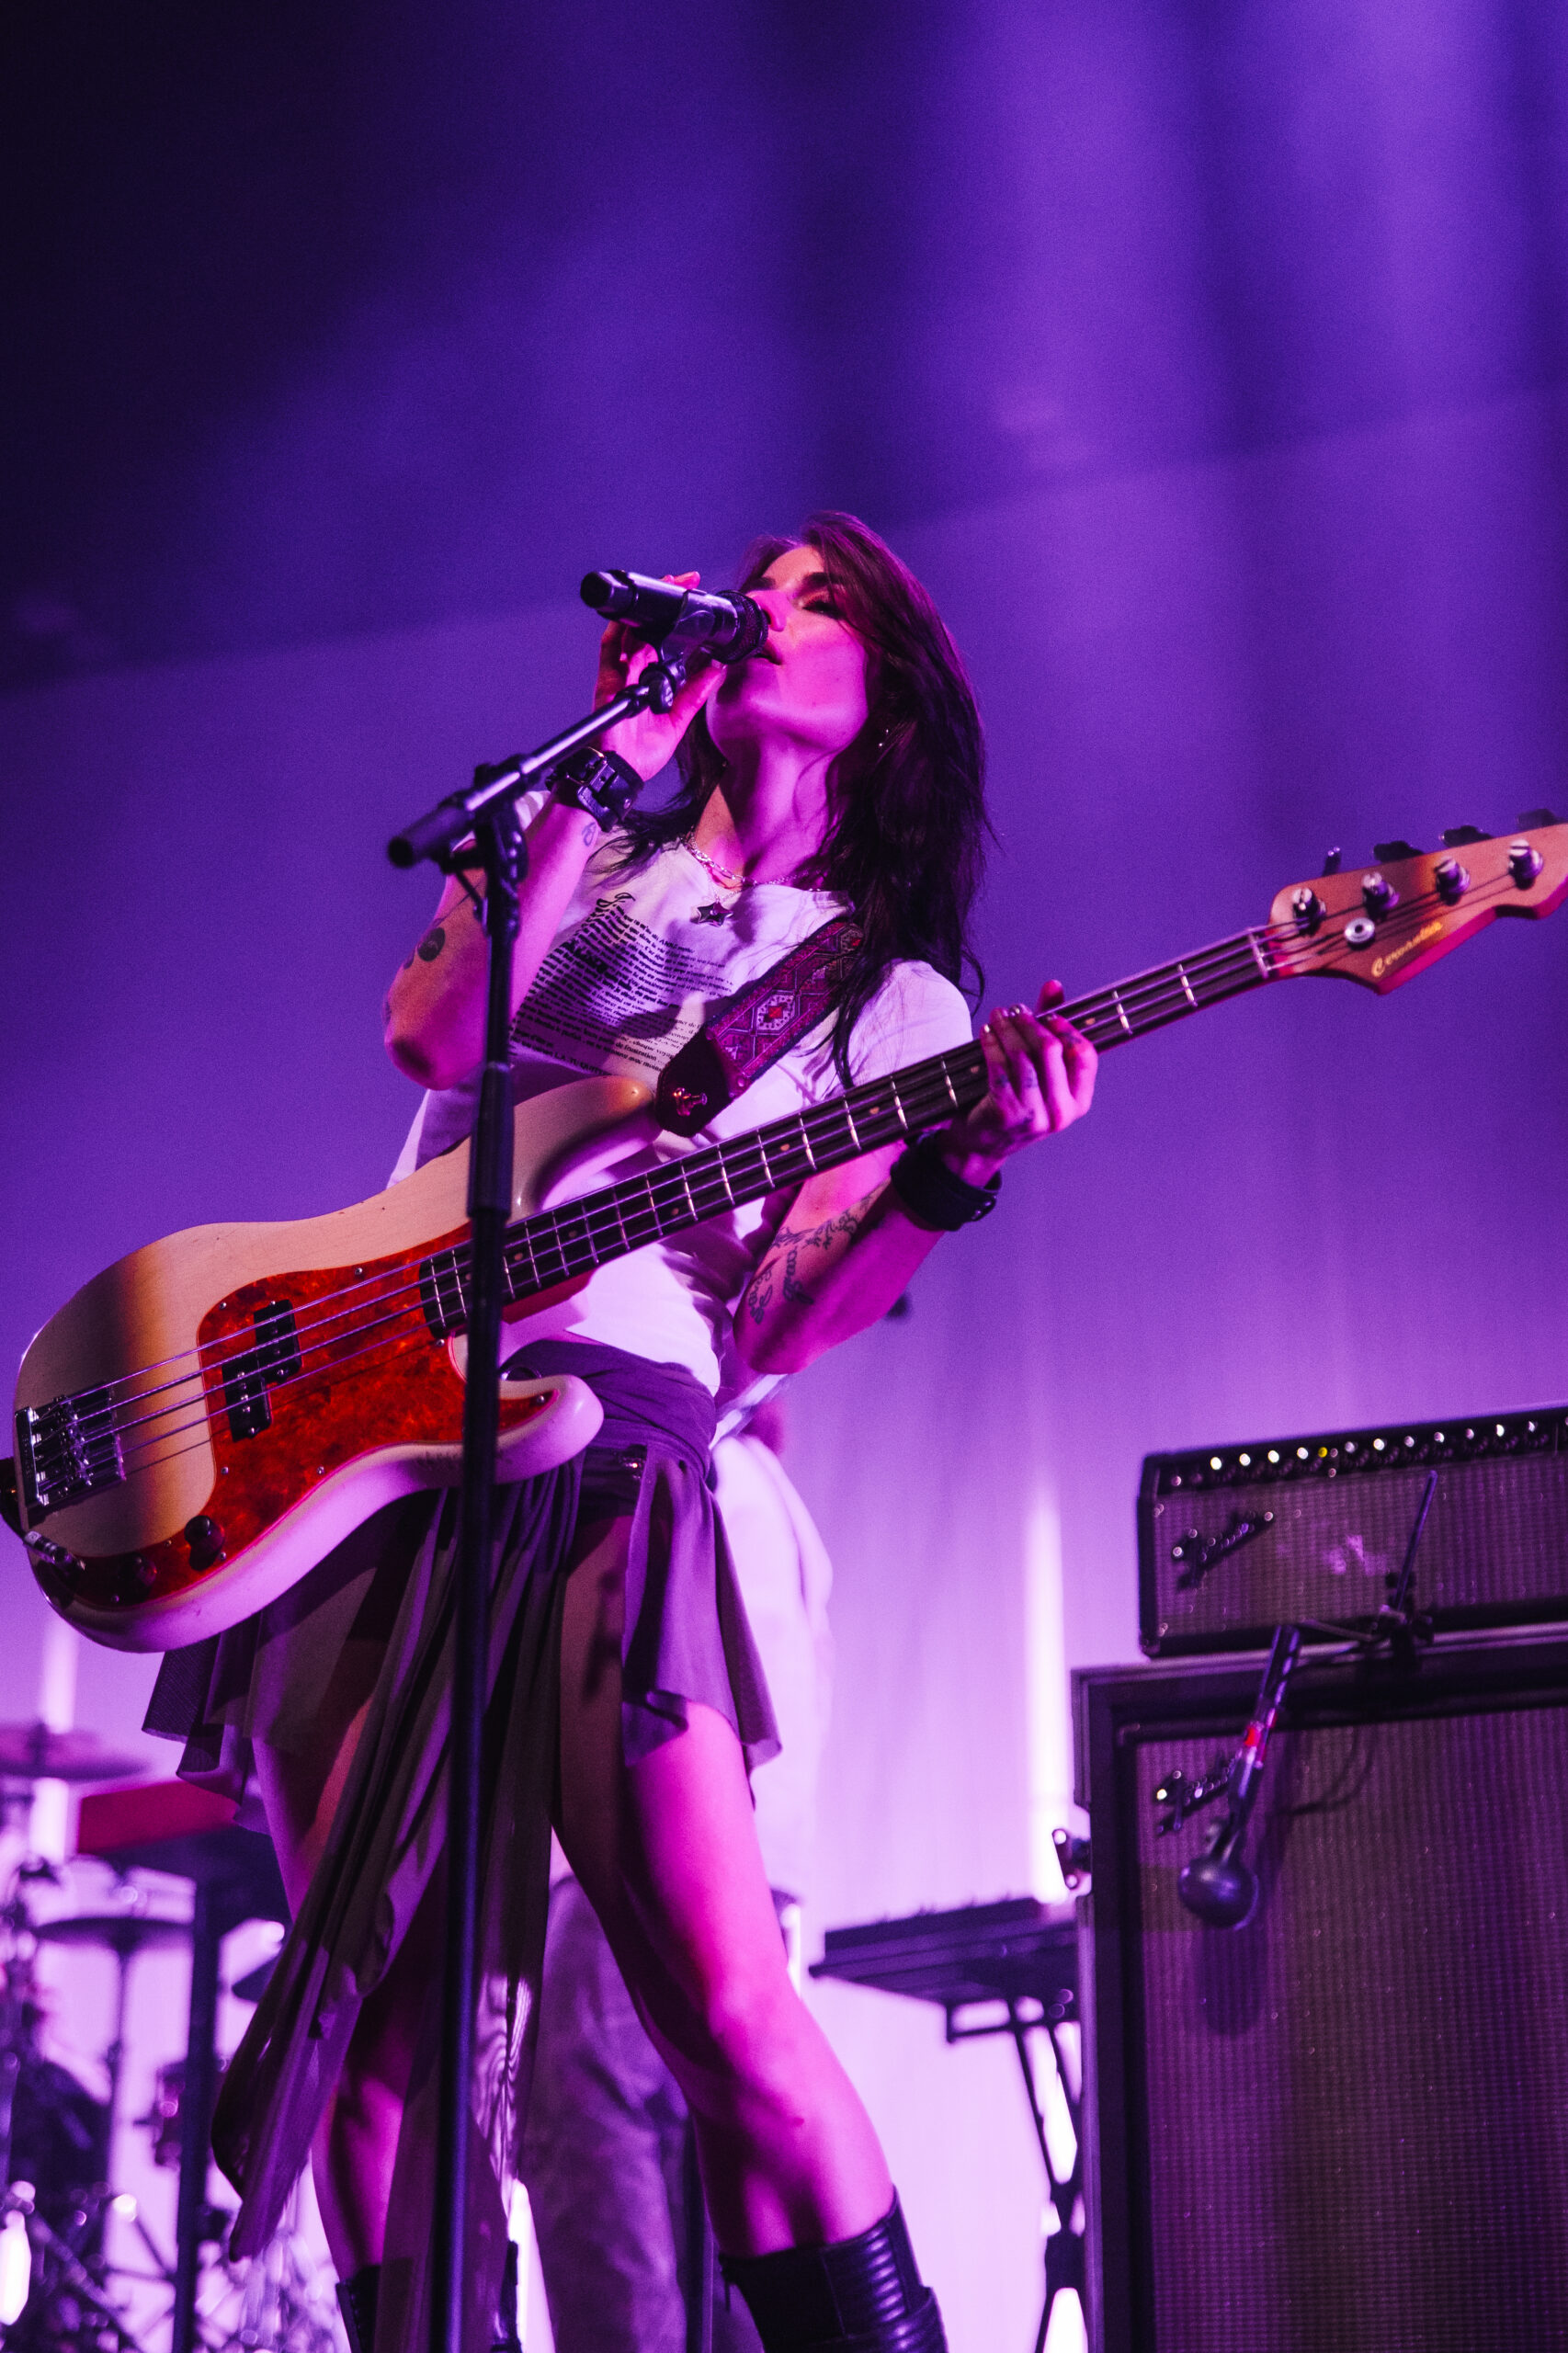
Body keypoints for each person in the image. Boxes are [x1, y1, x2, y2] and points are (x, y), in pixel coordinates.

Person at [145, 512, 1097, 2353]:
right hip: (371, 1426)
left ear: (890, 699)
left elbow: (783, 1318)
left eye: (816, 598)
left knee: (724, 2012)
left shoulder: (890, 995)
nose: (764, 610)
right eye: (758, 582)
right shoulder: (578, 846)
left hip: (615, 1440)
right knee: (375, 2030)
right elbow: (435, 1038)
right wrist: (609, 766)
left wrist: (953, 1167)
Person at [521, 1395, 833, 2353]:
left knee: (587, 2107)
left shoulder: (699, 1464)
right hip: (731, 1859)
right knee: (707, 2163)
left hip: (662, 1847)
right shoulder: (751, 1481)